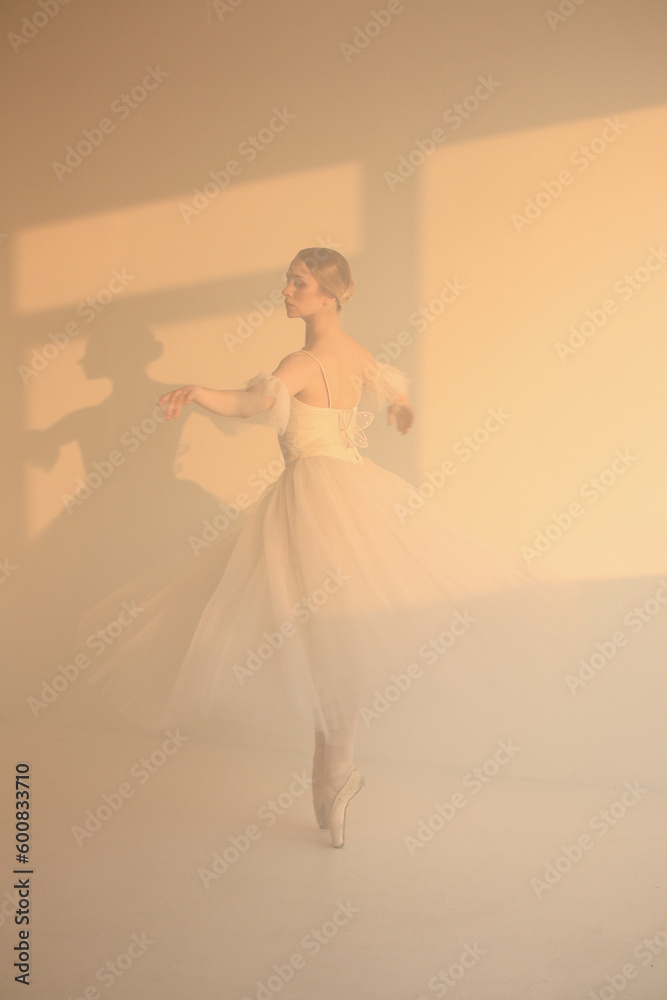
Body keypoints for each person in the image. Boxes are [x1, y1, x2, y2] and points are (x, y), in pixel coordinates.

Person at [88, 247, 584, 849]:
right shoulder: (354, 354)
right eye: (287, 281)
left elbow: (252, 405)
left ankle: (334, 778)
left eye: (298, 283)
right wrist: (399, 410)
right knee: (337, 632)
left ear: (328, 295)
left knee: (322, 630)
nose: (287, 291)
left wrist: (196, 392)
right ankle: (334, 780)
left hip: (314, 496)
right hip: (356, 491)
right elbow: (388, 390)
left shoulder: (300, 360)